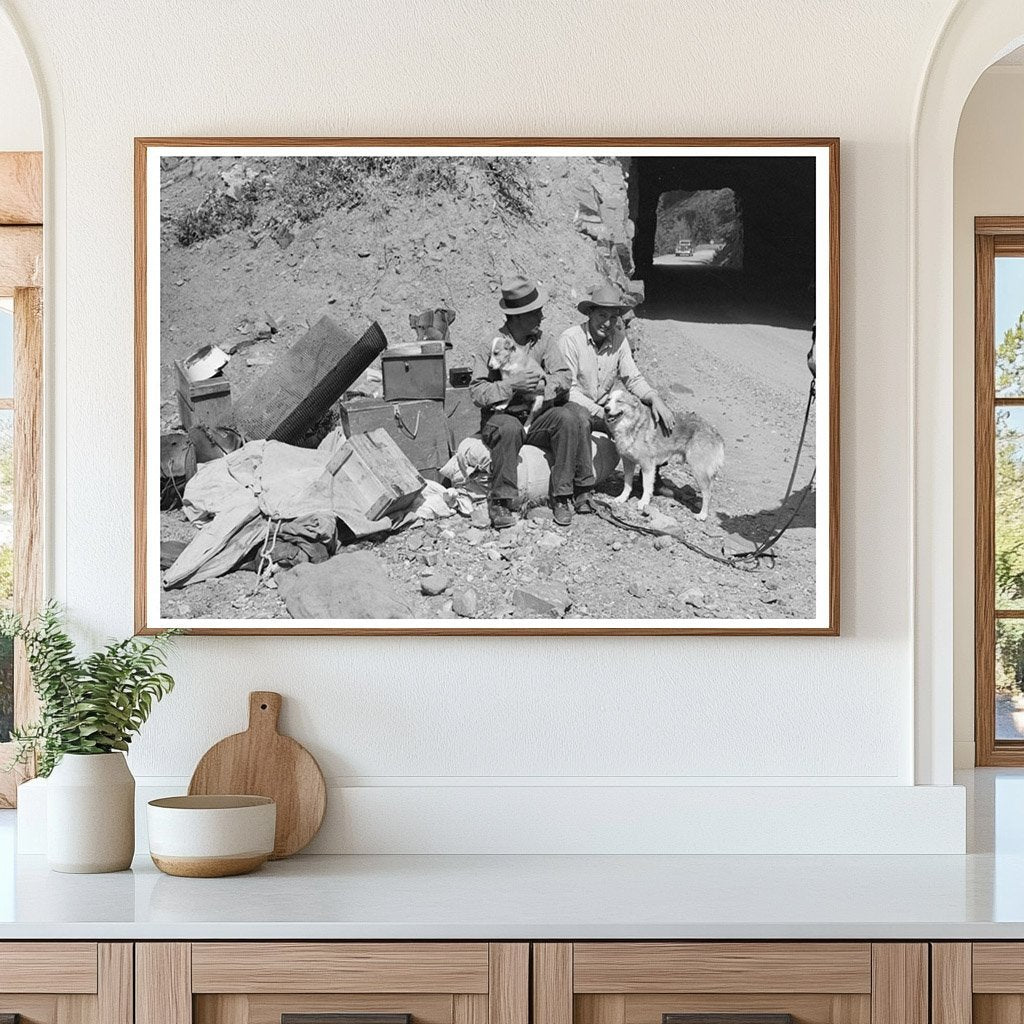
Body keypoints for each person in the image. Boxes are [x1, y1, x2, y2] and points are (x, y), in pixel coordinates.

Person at [470, 276, 594, 529]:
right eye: (535, 313)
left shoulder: (544, 342)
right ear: (515, 317)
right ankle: (501, 501)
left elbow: (563, 376)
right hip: (503, 416)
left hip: (537, 416)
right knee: (508, 429)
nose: (541, 318)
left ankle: (562, 496)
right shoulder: (490, 344)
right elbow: (477, 391)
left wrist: (543, 387)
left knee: (568, 418)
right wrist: (511, 386)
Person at [558, 282, 674, 511]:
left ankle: (651, 475)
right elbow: (567, 389)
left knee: (650, 411)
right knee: (580, 417)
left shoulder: (619, 340)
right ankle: (582, 489)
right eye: (602, 315)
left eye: (613, 317)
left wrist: (655, 398)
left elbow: (633, 378)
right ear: (590, 313)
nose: (607, 323)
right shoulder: (570, 339)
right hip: (574, 405)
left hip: (605, 407)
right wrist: (601, 412)